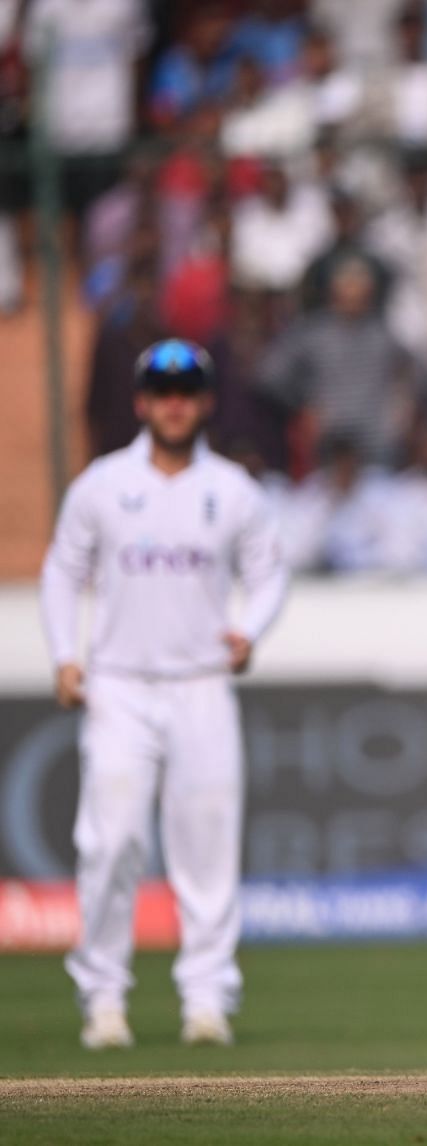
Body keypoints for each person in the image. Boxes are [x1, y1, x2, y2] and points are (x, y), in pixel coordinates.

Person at [39, 340, 289, 1050]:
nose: (174, 402)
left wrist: (249, 630)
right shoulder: (101, 485)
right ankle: (104, 999)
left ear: (205, 401)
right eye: (161, 390)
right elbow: (62, 573)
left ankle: (207, 1001)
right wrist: (64, 654)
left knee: (206, 849)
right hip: (119, 683)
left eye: (186, 390)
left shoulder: (233, 491)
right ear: (142, 401)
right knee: (111, 843)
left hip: (202, 684)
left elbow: (270, 573)